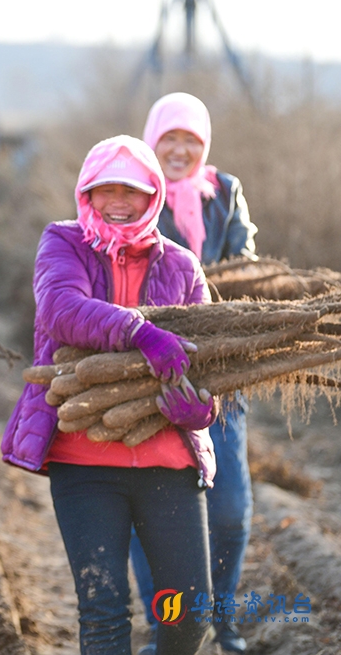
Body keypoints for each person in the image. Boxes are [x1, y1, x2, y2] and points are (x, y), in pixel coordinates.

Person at [1, 135, 218, 655]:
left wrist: (204, 408)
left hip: (168, 460)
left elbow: (214, 362)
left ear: (153, 197)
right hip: (86, 458)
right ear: (87, 195)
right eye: (106, 190)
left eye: (132, 191)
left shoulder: (183, 266)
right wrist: (140, 332)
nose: (118, 201)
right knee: (103, 610)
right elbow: (60, 309)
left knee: (190, 613)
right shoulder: (63, 242)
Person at [130, 91, 258, 654]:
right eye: (170, 139)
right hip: (148, 372)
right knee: (153, 509)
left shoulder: (225, 193)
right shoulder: (131, 191)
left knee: (228, 509)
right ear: (152, 140)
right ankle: (170, 624)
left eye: (191, 141)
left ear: (203, 147)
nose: (180, 150)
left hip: (223, 374)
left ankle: (221, 620)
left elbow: (248, 267)